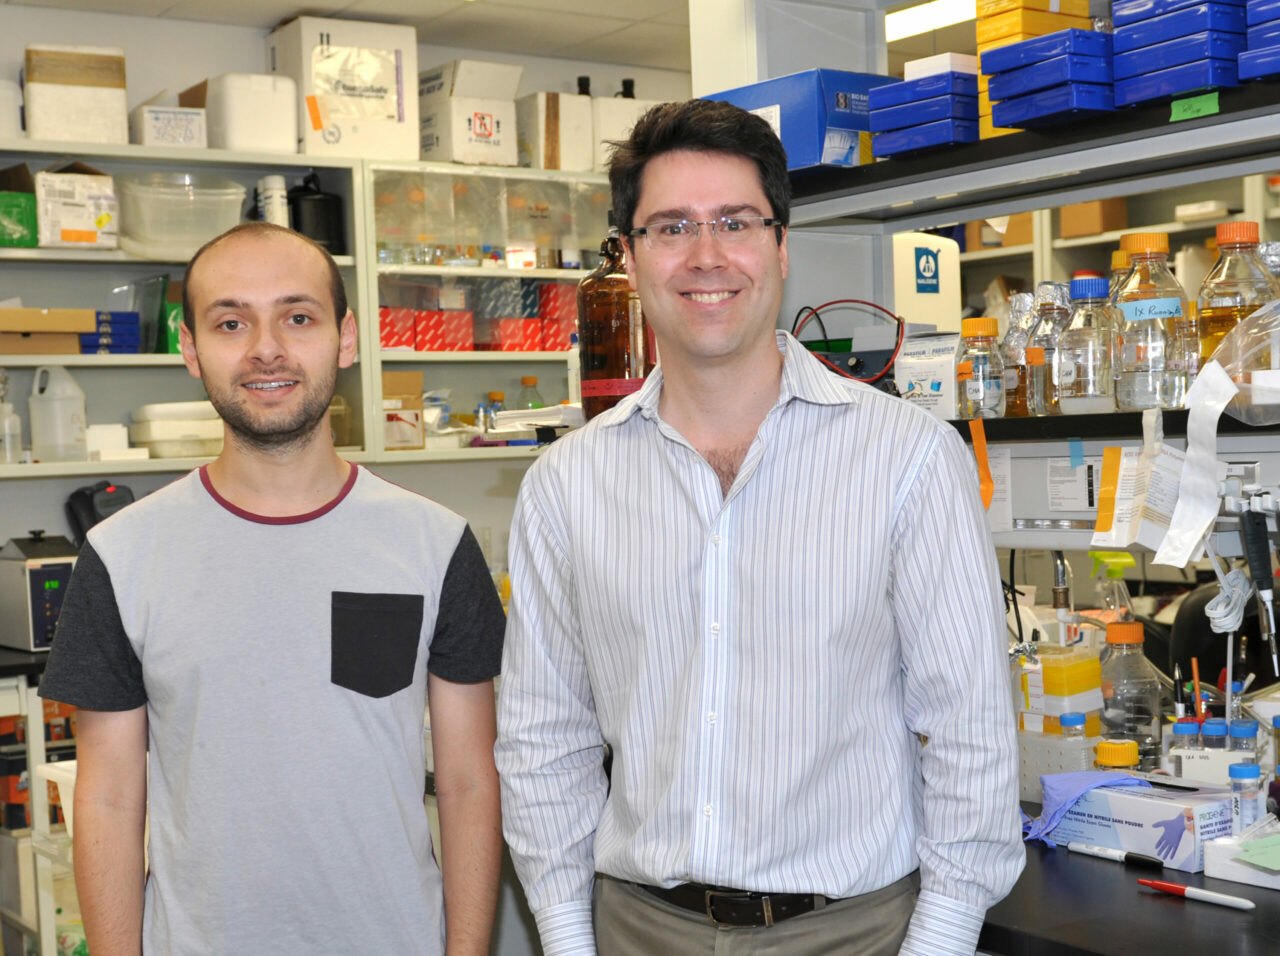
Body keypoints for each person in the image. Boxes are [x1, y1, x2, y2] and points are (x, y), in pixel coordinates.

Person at [495, 99, 1024, 956]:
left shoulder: (909, 458)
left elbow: (967, 730)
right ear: (627, 258)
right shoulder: (567, 483)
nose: (706, 256)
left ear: (781, 245)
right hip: (636, 927)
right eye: (670, 227)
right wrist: (564, 935)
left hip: (854, 933)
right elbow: (542, 742)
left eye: (735, 222)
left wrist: (941, 939)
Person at [39, 222, 504, 955]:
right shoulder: (122, 555)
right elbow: (106, 799)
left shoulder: (435, 544)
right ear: (191, 349)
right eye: (231, 322)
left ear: (345, 338)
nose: (266, 348)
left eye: (297, 316)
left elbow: (470, 784)